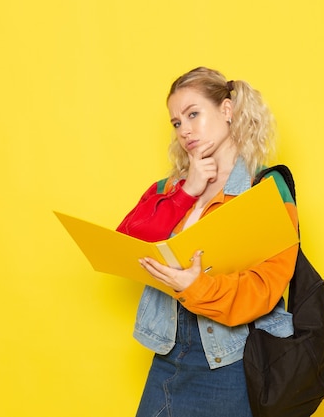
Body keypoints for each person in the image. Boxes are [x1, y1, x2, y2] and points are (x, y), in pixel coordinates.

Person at [116, 67, 299, 417]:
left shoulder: (265, 190)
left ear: (227, 111)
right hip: (168, 354)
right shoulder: (171, 188)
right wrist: (187, 192)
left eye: (193, 114)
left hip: (230, 360)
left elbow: (265, 287)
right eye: (176, 123)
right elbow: (127, 240)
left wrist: (196, 287)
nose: (184, 130)